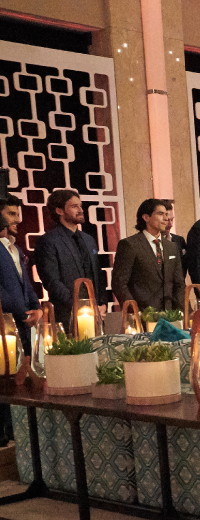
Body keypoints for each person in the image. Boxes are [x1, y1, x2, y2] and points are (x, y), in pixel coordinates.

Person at [34, 188, 111, 330]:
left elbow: (98, 275)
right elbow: (52, 281)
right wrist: (79, 306)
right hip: (67, 315)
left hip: (97, 314)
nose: (81, 210)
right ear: (59, 211)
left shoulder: (88, 239)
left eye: (80, 206)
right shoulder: (48, 241)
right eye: (74, 206)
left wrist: (102, 303)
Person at [0, 195, 38, 446]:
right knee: (4, 376)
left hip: (22, 322)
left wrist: (37, 308)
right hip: (4, 322)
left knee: (20, 376)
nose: (18, 220)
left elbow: (26, 285)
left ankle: (18, 431)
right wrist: (20, 311)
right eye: (12, 214)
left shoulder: (16, 248)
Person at [112, 199, 186, 313]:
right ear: (146, 217)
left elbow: (179, 283)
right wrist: (134, 312)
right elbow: (119, 284)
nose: (166, 218)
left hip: (170, 314)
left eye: (166, 214)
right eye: (160, 214)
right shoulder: (130, 245)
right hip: (142, 313)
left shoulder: (171, 246)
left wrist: (179, 311)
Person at [163, 203, 188, 279]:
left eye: (172, 220)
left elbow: (183, 268)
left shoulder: (179, 241)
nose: (170, 224)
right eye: (167, 220)